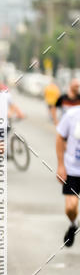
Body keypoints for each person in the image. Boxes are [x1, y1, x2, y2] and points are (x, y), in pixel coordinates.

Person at [56, 105, 80, 247]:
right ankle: (73, 224)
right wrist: (60, 166)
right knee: (70, 208)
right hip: (72, 170)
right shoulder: (71, 115)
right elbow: (60, 138)